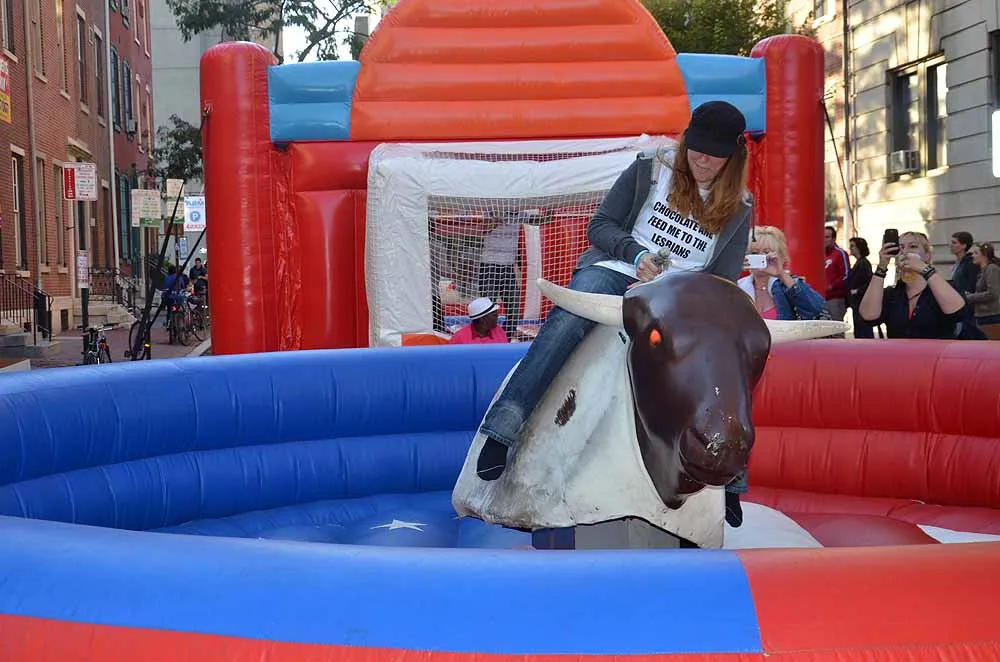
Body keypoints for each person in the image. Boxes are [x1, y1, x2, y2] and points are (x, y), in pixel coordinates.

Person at [475, 100, 754, 527]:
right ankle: (504, 429)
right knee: (567, 318)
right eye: (696, 151)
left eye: (713, 156)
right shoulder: (649, 169)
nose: (702, 161)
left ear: (732, 159)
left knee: (732, 350)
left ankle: (730, 479)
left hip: (683, 296)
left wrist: (682, 295)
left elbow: (723, 278)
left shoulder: (740, 206)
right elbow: (601, 225)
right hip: (616, 269)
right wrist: (636, 255)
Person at [858, 231, 966, 338]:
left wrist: (924, 269)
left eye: (913, 246)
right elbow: (868, 316)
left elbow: (958, 312)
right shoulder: (892, 294)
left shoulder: (945, 287)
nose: (905, 252)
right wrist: (881, 267)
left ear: (927, 256)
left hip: (937, 349)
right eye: (900, 248)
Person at [738, 225, 828, 321]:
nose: (761, 257)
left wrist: (781, 274)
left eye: (766, 253)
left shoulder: (787, 284)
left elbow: (816, 310)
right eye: (754, 253)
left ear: (780, 257)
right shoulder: (738, 287)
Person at [846, 237, 876, 338]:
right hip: (857, 302)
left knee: (863, 329)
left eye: (852, 246)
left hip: (861, 301)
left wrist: (857, 291)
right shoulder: (859, 263)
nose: (850, 248)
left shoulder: (863, 263)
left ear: (859, 247)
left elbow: (869, 282)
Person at [965, 242, 1000, 327]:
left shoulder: (992, 269)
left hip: (991, 316)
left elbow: (992, 294)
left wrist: (970, 297)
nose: (972, 255)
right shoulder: (982, 271)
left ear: (984, 255)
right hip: (982, 315)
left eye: (976, 253)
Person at [823, 225, 851, 323]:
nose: (824, 240)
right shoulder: (819, 254)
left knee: (835, 327)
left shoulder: (840, 254)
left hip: (835, 298)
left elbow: (846, 275)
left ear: (833, 239)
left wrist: (832, 286)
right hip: (820, 298)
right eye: (823, 237)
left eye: (827, 237)